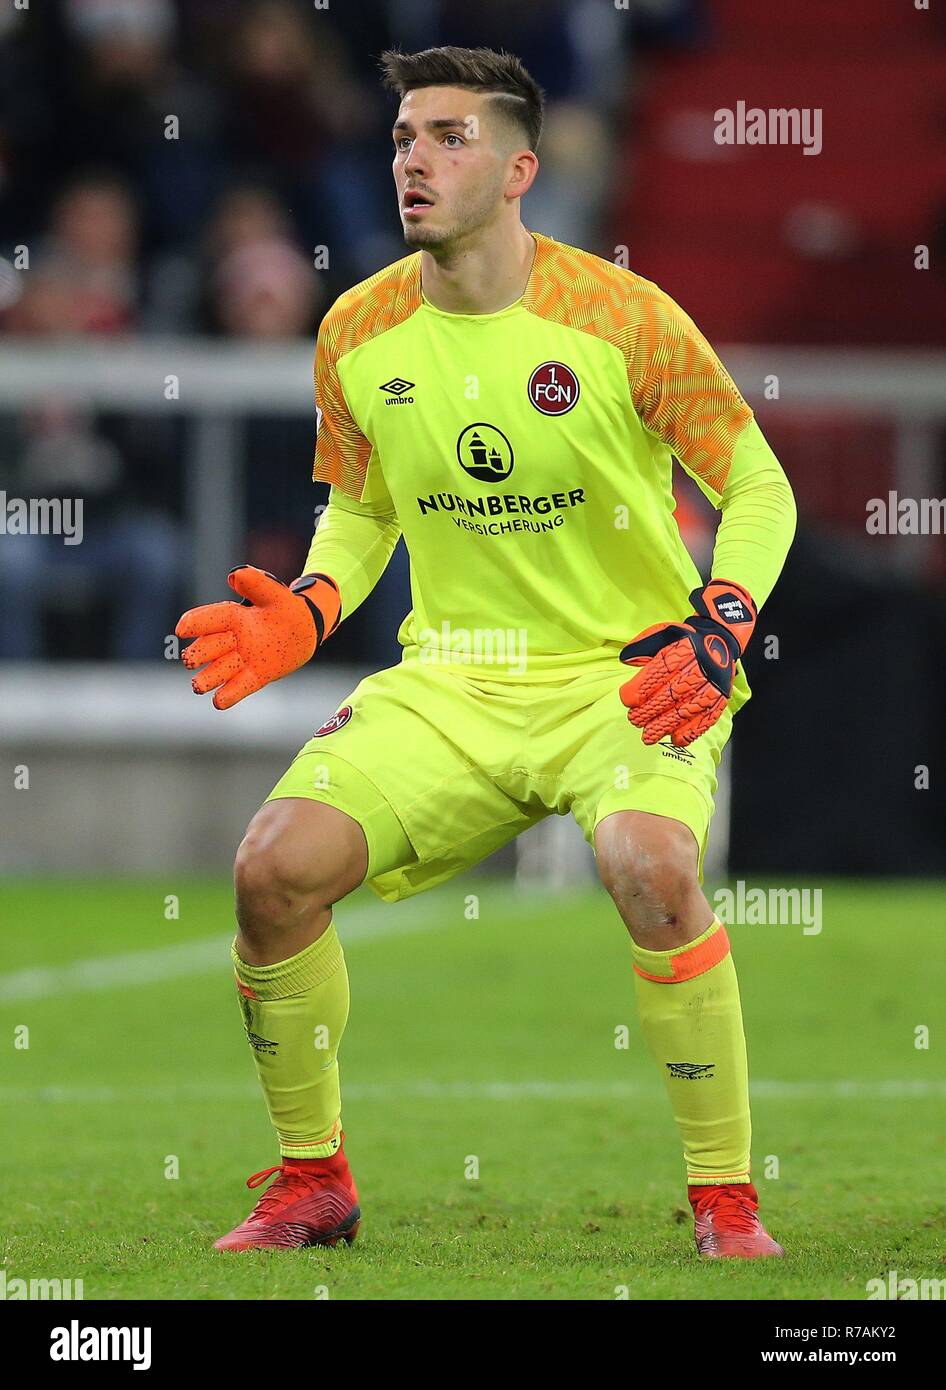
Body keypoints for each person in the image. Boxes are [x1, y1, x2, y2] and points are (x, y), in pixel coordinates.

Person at [176, 46, 796, 1260]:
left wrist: (721, 618)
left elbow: (757, 484)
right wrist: (307, 607)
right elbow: (360, 512)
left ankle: (726, 1201)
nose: (415, 158)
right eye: (405, 136)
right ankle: (315, 1182)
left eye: (449, 137)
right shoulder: (356, 327)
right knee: (272, 872)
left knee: (651, 866)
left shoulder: (624, 315)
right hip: (450, 678)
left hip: (625, 673)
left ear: (518, 171)